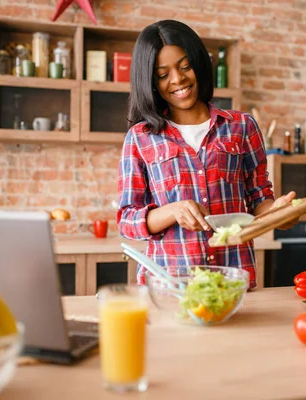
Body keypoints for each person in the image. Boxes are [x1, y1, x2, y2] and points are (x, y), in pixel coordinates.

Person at [116, 20, 296, 289]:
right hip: (168, 286)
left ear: (198, 64)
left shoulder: (241, 126)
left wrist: (282, 215)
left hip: (232, 282)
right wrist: (173, 211)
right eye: (163, 74)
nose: (177, 79)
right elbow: (127, 221)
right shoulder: (141, 137)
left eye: (185, 66)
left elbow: (259, 200)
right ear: (150, 81)